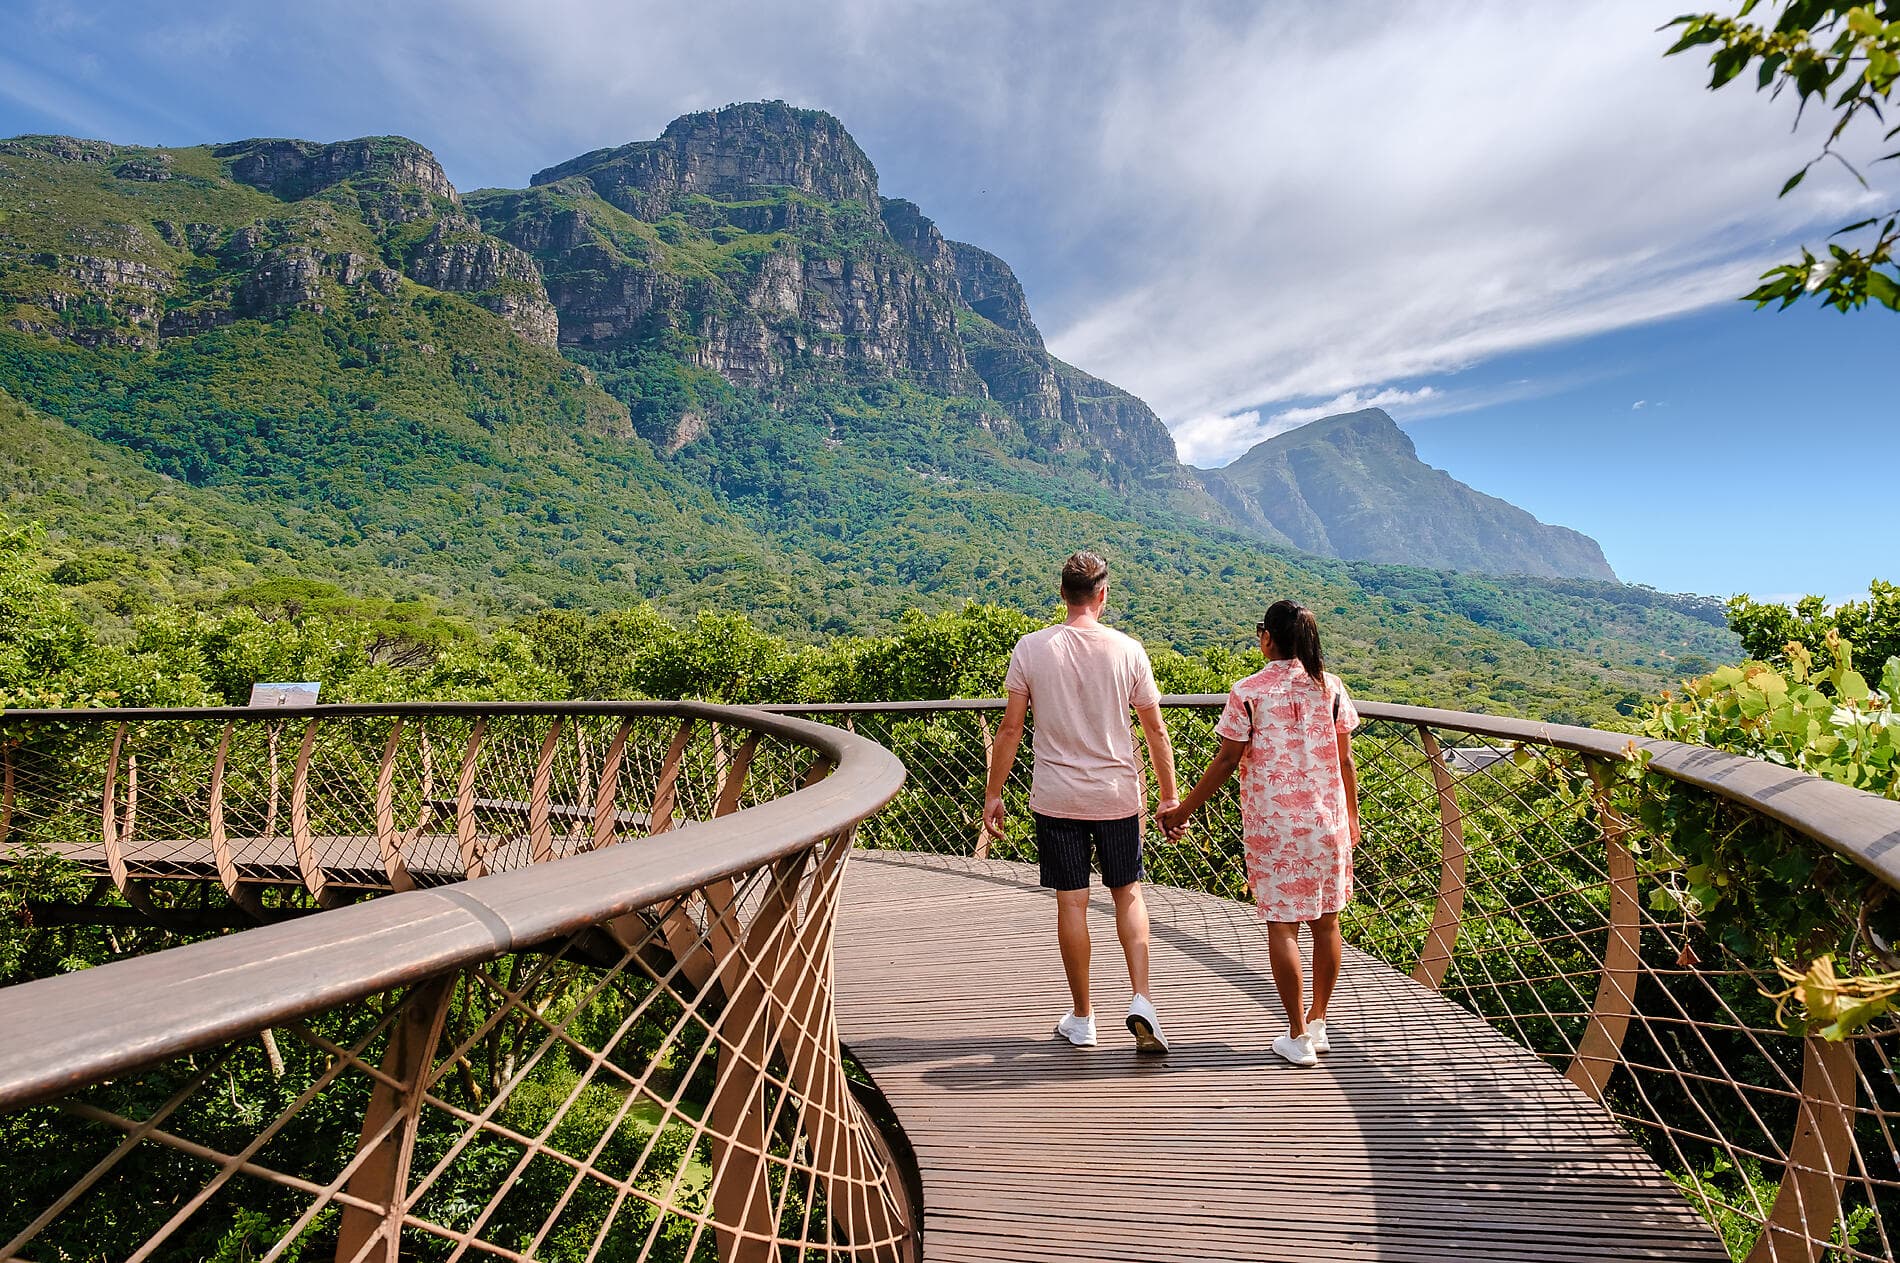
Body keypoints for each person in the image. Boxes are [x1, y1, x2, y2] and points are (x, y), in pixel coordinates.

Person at [982, 551, 1181, 1054]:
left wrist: (994, 792)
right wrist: (1169, 795)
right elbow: (1154, 729)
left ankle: (1084, 1016)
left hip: (1057, 797)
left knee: (1072, 902)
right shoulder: (1128, 650)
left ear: (1064, 594)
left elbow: (1010, 728)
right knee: (1128, 894)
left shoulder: (1031, 648)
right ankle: (1142, 999)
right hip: (1116, 796)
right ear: (1102, 594)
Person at [1158, 600, 1360, 1068]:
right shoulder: (1329, 688)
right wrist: (1352, 817)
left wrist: (1182, 809)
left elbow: (1228, 761)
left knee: (1283, 926)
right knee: (1327, 922)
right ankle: (1319, 1022)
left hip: (1274, 827)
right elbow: (1345, 760)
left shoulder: (1248, 692)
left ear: (1268, 637)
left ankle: (1296, 1036)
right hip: (1326, 823)